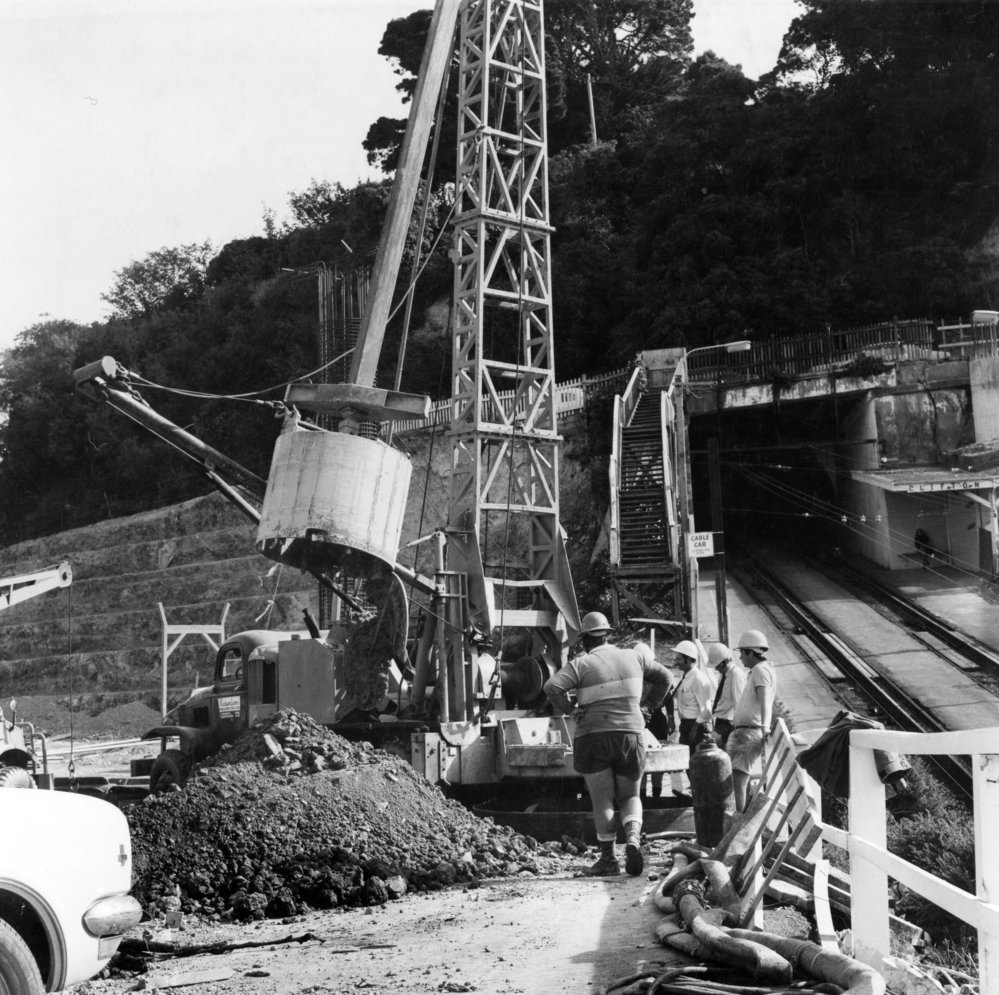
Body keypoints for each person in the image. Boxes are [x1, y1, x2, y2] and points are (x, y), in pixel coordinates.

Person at [544, 611, 673, 877]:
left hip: (594, 736)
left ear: (584, 640)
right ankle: (634, 839)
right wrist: (647, 708)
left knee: (603, 800)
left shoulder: (582, 664)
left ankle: (609, 860)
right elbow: (666, 678)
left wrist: (570, 709)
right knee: (631, 795)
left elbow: (552, 686)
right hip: (631, 733)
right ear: (608, 634)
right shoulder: (635, 656)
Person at [727, 629, 777, 812]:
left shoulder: (761, 671)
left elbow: (766, 701)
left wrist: (765, 727)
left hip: (750, 731)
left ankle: (738, 820)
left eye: (742, 653)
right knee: (737, 777)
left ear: (751, 652)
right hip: (744, 730)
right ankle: (740, 816)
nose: (740, 658)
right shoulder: (757, 671)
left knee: (738, 778)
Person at [672, 639, 715, 750]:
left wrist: (695, 729)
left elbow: (706, 711)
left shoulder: (699, 679)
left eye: (679, 659)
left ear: (689, 659)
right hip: (686, 725)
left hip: (696, 727)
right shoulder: (686, 677)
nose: (676, 662)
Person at [708, 641, 747, 748]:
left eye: (717, 665)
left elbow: (740, 704)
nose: (716, 668)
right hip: (720, 721)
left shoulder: (736, 675)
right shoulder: (724, 675)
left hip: (729, 724)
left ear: (724, 661)